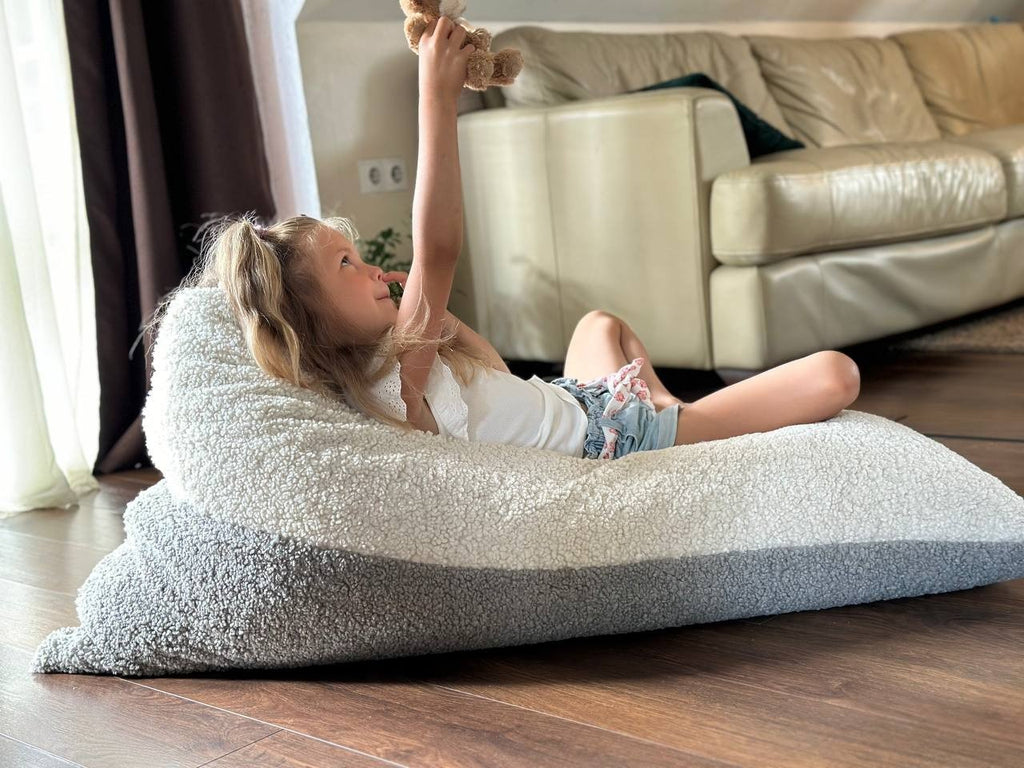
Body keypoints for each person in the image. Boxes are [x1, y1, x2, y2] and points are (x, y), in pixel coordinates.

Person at [159, 16, 861, 460]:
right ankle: (680, 430)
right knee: (837, 374)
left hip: (577, 402)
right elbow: (437, 248)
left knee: (599, 324)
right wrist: (436, 95)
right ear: (312, 320)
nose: (373, 269)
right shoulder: (388, 388)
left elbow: (494, 374)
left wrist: (440, 324)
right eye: (348, 264)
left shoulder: (406, 364)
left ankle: (675, 410)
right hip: (618, 441)